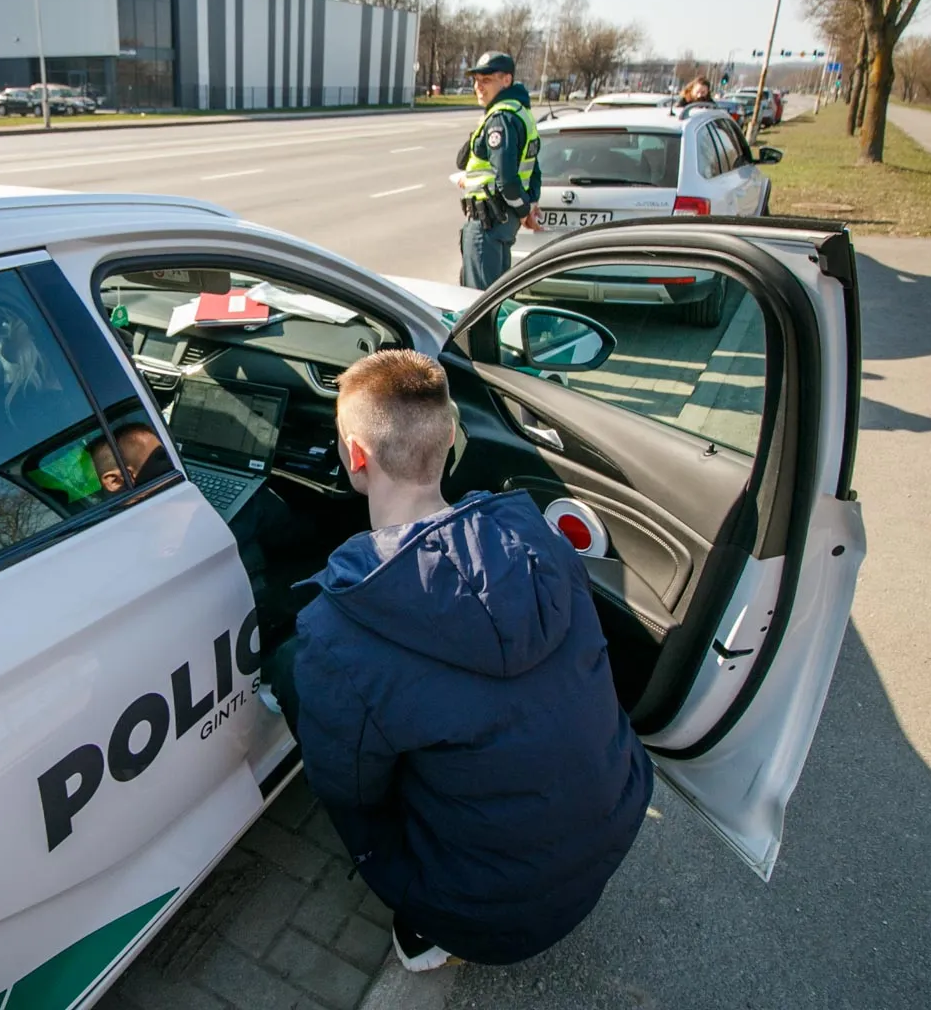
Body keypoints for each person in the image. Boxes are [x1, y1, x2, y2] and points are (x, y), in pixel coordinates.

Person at [273, 350, 652, 973]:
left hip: (485, 917)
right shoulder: (543, 541)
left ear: (354, 456)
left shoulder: (336, 632)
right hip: (615, 826)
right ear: (450, 439)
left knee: (306, 691)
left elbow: (352, 792)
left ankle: (427, 927)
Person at [455, 52, 541, 290]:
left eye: (486, 81)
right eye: (476, 81)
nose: (478, 87)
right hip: (499, 222)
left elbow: (506, 178)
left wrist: (524, 212)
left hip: (488, 225)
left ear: (506, 80)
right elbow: (533, 168)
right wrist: (530, 203)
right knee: (495, 298)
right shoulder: (519, 112)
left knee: (478, 305)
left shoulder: (501, 118)